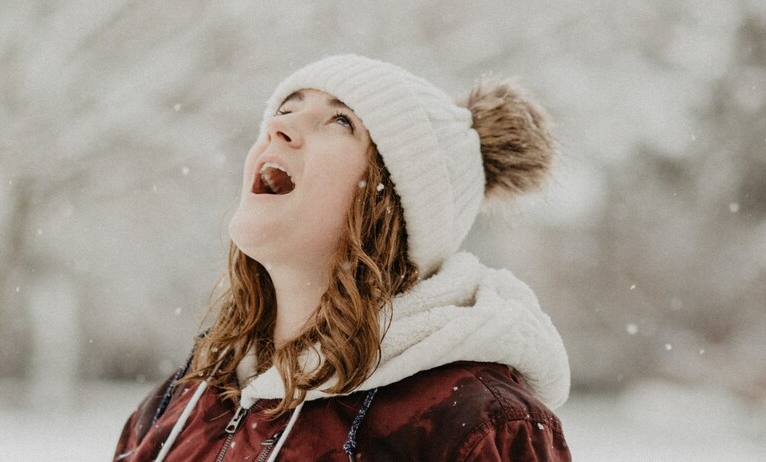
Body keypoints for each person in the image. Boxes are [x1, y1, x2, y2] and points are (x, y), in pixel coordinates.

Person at [113, 54, 572, 461]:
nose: (277, 127)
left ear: (395, 202)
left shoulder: (475, 427)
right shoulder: (181, 403)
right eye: (285, 110)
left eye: (339, 121)